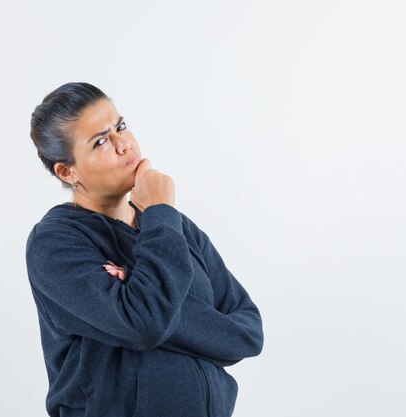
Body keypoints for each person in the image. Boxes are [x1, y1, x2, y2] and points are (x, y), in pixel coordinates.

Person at [25, 82, 264, 417]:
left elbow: (248, 333)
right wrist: (148, 302)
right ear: (67, 171)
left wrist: (139, 290)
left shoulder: (174, 228)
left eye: (120, 126)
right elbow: (146, 322)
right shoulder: (55, 244)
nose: (124, 144)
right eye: (101, 141)